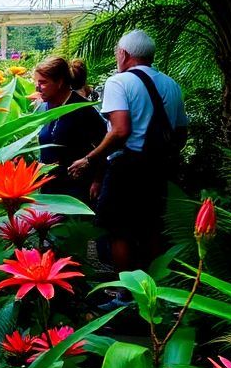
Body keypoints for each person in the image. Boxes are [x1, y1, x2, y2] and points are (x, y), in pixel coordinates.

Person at [68, 30, 188, 270]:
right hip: (160, 167)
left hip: (127, 168)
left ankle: (124, 294)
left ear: (123, 54)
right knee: (152, 227)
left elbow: (120, 131)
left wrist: (89, 159)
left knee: (118, 230)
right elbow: (181, 135)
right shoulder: (171, 84)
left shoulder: (119, 81)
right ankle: (155, 290)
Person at [33, 57, 106, 204]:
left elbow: (104, 143)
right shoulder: (43, 108)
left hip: (76, 191)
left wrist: (98, 180)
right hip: (49, 189)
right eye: (36, 82)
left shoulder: (83, 109)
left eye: (43, 83)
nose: (37, 88)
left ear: (59, 82)